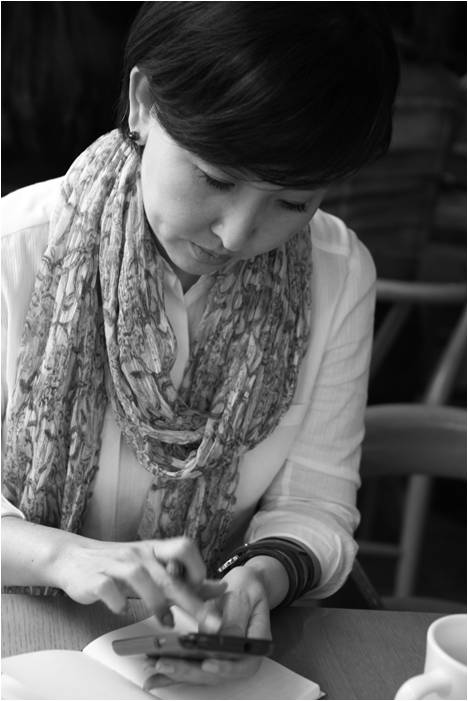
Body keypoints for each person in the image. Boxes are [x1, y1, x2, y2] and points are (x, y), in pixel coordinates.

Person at [1, 1, 399, 689]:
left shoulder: (336, 274)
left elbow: (315, 506)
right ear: (143, 102)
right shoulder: (16, 249)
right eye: (215, 177)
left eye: (292, 202)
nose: (238, 234)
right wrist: (64, 556)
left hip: (207, 659)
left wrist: (260, 577)